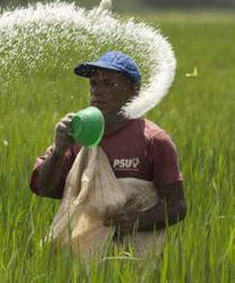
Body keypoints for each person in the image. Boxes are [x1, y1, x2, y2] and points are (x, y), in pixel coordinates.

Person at [30, 51, 186, 240]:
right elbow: (44, 188)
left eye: (109, 84)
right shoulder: (77, 136)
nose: (97, 91)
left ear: (133, 91)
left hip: (135, 260)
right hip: (81, 257)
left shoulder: (154, 141)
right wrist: (59, 151)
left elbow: (177, 206)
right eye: (94, 83)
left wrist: (135, 220)